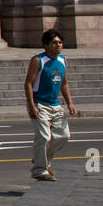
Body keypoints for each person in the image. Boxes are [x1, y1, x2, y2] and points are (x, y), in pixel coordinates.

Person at [26, 29, 76, 182]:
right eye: (54, 43)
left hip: (55, 105)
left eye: (60, 42)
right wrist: (32, 105)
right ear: (46, 45)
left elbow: (64, 83)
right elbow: (28, 83)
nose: (58, 45)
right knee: (44, 137)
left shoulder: (62, 60)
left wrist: (70, 103)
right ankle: (40, 170)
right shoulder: (38, 60)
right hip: (39, 104)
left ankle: (42, 160)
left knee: (64, 136)